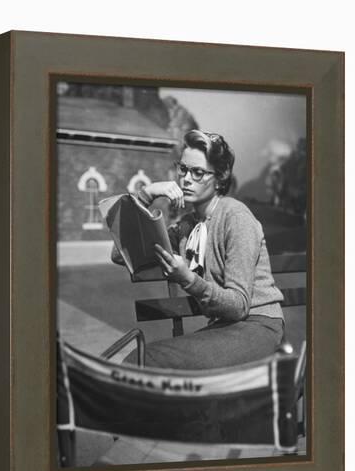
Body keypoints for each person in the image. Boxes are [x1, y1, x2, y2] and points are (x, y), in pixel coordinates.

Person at [119, 129, 285, 370]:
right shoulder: (187, 226)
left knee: (144, 360)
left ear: (220, 177)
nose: (186, 179)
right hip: (224, 329)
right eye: (183, 169)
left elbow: (239, 306)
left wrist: (187, 278)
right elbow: (121, 253)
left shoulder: (236, 216)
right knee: (142, 359)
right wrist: (147, 194)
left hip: (259, 327)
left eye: (198, 172)